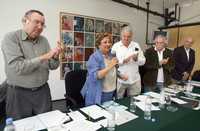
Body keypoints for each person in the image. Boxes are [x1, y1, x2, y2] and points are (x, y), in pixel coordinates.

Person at [1, 10, 62, 120]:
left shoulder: (44, 40)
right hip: (18, 94)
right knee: (20, 126)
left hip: (42, 91)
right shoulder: (11, 38)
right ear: (25, 21)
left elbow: (52, 66)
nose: (40, 27)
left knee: (47, 122)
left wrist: (55, 56)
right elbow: (17, 67)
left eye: (42, 24)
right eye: (36, 22)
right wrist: (44, 56)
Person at [81, 33, 126, 106]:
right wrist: (110, 66)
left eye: (109, 42)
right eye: (105, 42)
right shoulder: (94, 57)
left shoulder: (111, 55)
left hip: (111, 91)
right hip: (98, 93)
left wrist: (121, 75)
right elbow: (96, 76)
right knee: (97, 115)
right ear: (99, 44)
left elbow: (113, 70)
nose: (108, 44)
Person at [111, 26, 146, 98]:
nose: (126, 38)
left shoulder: (136, 45)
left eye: (128, 37)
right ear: (121, 36)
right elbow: (112, 62)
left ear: (132, 36)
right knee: (118, 101)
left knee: (135, 101)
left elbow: (143, 62)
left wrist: (136, 59)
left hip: (134, 80)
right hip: (121, 80)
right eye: (124, 36)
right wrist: (123, 61)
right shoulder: (116, 46)